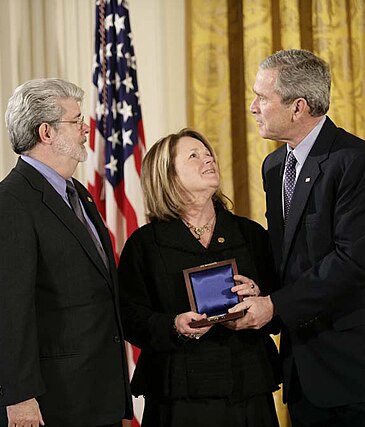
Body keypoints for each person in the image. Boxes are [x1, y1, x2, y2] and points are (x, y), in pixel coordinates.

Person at [227, 49, 365, 426]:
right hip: (306, 370)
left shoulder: (355, 162)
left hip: (362, 371)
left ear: (298, 107)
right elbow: (288, 257)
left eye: (262, 97)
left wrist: (275, 305)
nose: (252, 107)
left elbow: (353, 261)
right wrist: (257, 290)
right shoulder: (275, 166)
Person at [0, 78, 132, 427]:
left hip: (95, 396)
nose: (86, 129)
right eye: (76, 121)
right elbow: (7, 314)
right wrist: (19, 399)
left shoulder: (79, 195)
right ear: (46, 132)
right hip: (49, 405)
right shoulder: (8, 205)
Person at [118, 128, 281, 427]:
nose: (208, 159)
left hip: (246, 390)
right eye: (194, 155)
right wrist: (174, 325)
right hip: (178, 396)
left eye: (208, 154)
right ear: (166, 175)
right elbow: (128, 316)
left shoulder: (250, 234)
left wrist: (259, 296)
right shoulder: (145, 244)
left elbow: (281, 301)